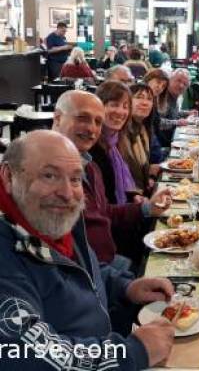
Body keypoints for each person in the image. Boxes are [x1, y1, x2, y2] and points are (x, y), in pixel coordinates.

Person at [0, 130, 176, 369]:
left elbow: (79, 273)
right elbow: (26, 354)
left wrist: (125, 287)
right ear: (9, 177)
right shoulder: (7, 254)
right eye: (49, 175)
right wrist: (131, 353)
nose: (66, 193)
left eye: (75, 179)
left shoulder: (48, 219)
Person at [52, 90, 172, 268]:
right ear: (58, 118)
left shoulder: (90, 165)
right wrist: (120, 282)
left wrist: (147, 208)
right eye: (82, 118)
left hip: (108, 259)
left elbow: (103, 212)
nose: (91, 128)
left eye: (97, 121)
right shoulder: (49, 171)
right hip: (93, 269)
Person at [90, 80, 136, 205]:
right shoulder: (91, 147)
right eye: (114, 105)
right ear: (99, 106)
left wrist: (135, 198)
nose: (121, 112)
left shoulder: (117, 141)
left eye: (125, 107)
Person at [120, 83, 160, 195]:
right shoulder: (121, 132)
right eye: (138, 97)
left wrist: (151, 176)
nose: (145, 103)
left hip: (143, 192)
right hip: (131, 200)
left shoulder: (143, 129)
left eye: (149, 99)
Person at [154, 68, 197, 148]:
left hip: (171, 139)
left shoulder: (174, 95)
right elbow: (157, 123)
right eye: (178, 81)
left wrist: (187, 113)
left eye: (185, 84)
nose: (181, 85)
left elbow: (172, 113)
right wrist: (177, 122)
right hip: (162, 145)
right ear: (170, 80)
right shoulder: (162, 96)